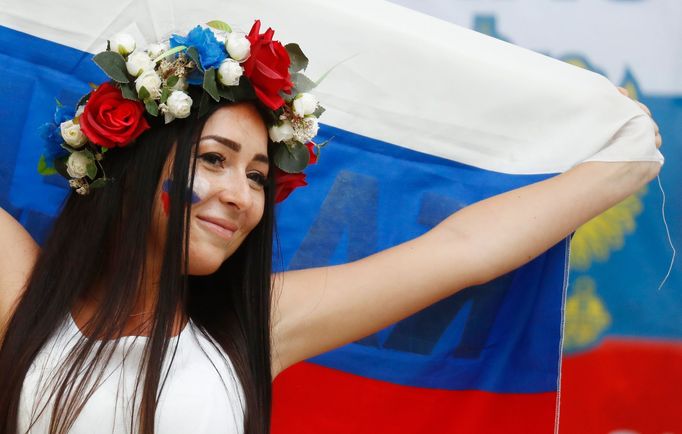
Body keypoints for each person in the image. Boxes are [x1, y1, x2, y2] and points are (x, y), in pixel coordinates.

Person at [0, 19, 663, 434]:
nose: (239, 195)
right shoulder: (24, 295)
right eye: (214, 160)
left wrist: (619, 163)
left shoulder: (254, 330)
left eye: (259, 176)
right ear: (137, 163)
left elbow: (462, 249)